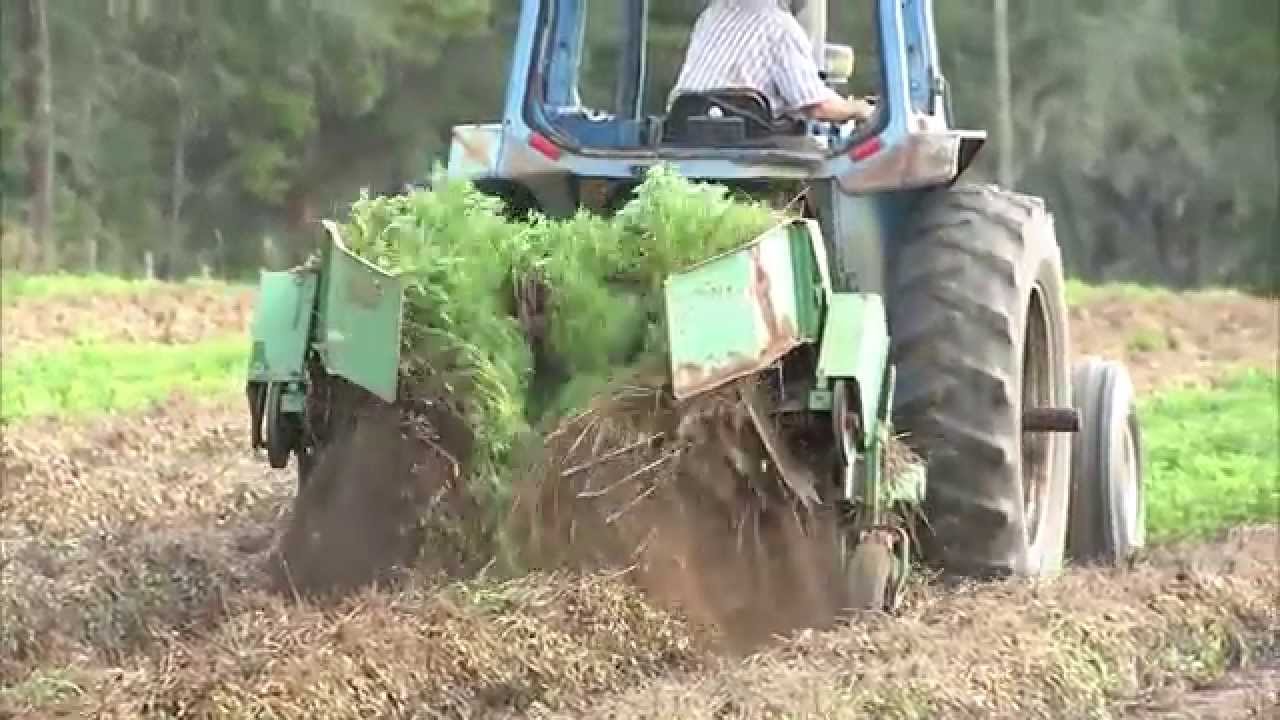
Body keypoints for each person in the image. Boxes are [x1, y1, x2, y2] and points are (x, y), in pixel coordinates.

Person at [670, 0, 875, 125]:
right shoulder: (781, 27)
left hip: (684, 138)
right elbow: (815, 106)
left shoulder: (711, 15)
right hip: (748, 153)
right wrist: (859, 109)